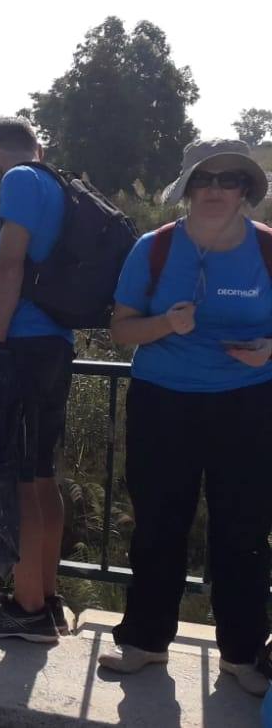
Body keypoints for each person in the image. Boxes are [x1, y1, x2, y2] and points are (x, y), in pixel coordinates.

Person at [96, 139, 272, 696]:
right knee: (157, 526)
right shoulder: (154, 247)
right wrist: (166, 326)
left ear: (245, 189)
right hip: (162, 401)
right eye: (206, 179)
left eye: (230, 180)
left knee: (243, 531)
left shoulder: (269, 249)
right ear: (188, 187)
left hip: (246, 404)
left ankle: (243, 654)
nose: (217, 189)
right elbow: (121, 329)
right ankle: (146, 642)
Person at [0, 116, 75, 643]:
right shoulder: (57, 183)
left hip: (23, 346)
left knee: (21, 480)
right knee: (41, 477)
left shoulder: (19, 180)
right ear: (39, 145)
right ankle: (44, 596)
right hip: (56, 342)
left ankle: (27, 610)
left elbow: (10, 266)